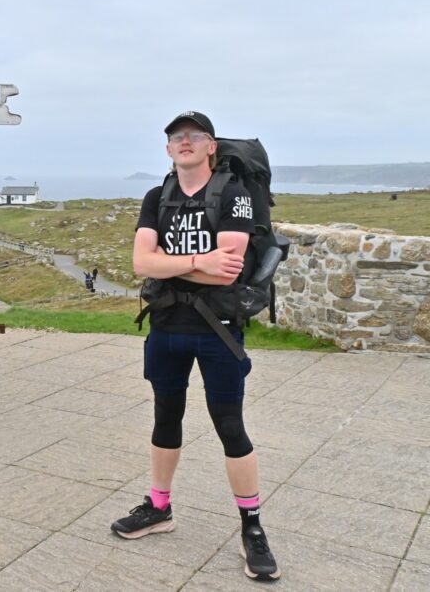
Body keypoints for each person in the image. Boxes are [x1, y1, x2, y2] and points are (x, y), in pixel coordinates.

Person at [110, 111, 279, 582]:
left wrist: (169, 263)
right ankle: (159, 509)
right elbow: (141, 260)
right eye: (175, 137)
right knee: (166, 417)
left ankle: (253, 528)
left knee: (230, 425)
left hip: (217, 328)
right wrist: (197, 260)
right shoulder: (155, 196)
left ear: (211, 147)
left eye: (194, 136)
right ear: (168, 150)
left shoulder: (235, 196)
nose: (183, 142)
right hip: (167, 326)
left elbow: (227, 269)